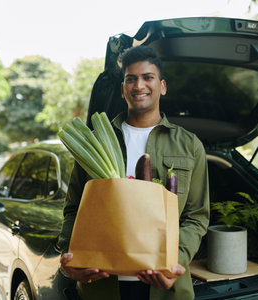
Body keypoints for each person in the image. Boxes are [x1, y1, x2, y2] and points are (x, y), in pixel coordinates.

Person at [58, 45, 210, 300]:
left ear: (162, 86)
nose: (139, 85)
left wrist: (175, 260)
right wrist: (70, 256)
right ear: (122, 89)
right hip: (103, 284)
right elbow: (74, 209)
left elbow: (196, 217)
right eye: (131, 79)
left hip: (165, 286)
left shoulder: (189, 145)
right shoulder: (95, 145)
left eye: (147, 77)